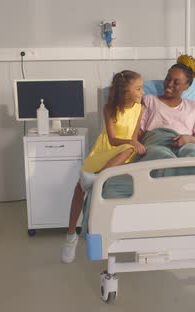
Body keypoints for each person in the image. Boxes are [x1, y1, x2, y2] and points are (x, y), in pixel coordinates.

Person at [61, 70, 145, 264]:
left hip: (124, 152)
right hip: (107, 149)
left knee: (128, 147)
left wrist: (135, 144)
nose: (142, 91)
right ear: (125, 91)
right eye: (138, 88)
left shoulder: (139, 108)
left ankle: (98, 176)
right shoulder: (109, 108)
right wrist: (132, 144)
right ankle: (70, 236)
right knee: (79, 188)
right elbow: (114, 139)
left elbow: (133, 137)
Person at [139, 55, 195, 159]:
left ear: (187, 86)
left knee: (194, 154)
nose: (169, 84)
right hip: (156, 144)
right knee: (162, 156)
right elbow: (138, 133)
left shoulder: (194, 107)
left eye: (176, 82)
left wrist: (189, 140)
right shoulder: (149, 100)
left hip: (186, 145)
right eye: (168, 79)